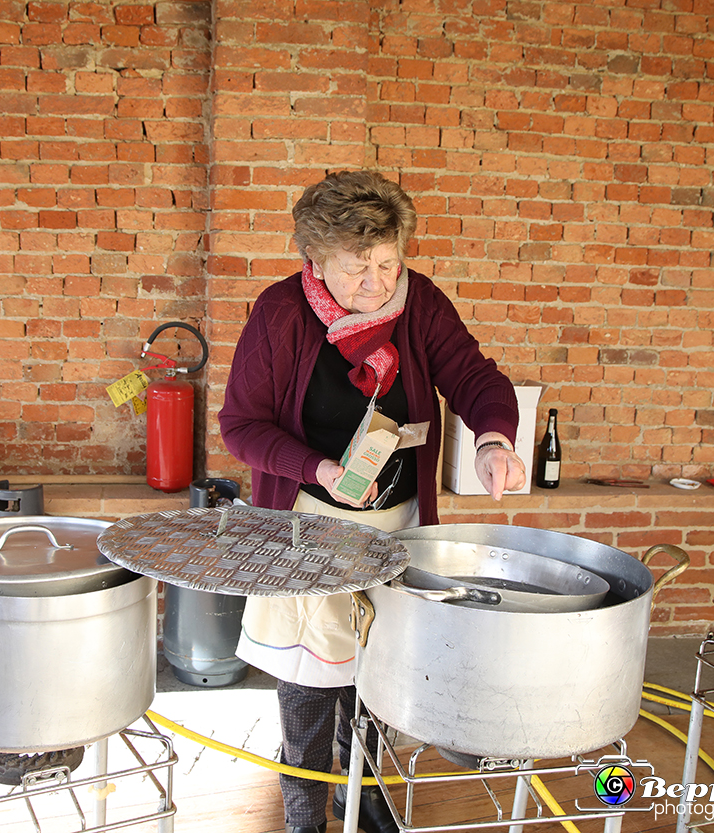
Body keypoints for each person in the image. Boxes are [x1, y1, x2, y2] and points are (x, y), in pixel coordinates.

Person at [219, 171, 527, 833]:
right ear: (316, 259)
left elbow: (473, 375)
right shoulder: (279, 313)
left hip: (397, 528)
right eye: (359, 268)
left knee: (380, 677)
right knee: (309, 688)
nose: (378, 283)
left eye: (389, 263)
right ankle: (305, 812)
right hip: (309, 528)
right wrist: (319, 467)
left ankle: (366, 796)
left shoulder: (422, 306)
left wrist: (493, 437)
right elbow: (240, 426)